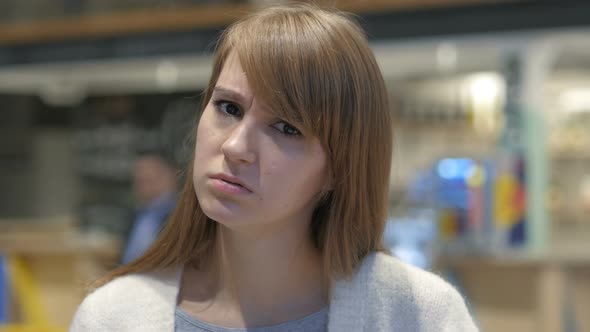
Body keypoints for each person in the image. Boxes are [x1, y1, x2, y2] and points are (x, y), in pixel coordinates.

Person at [70, 4, 478, 331]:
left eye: (286, 127)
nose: (235, 147)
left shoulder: (419, 315)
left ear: (340, 165)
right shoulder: (113, 317)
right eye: (228, 108)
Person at [121, 153, 177, 264]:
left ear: (170, 177)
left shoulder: (178, 215)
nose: (143, 187)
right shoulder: (136, 213)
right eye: (139, 181)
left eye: (149, 180)